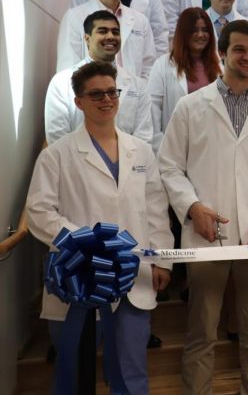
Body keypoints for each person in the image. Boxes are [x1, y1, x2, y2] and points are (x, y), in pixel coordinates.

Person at [158, 20, 248, 394]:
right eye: (240, 50)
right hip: (207, 234)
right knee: (202, 331)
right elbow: (169, 165)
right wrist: (192, 207)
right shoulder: (191, 107)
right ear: (222, 53)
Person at [27, 61, 173, 394]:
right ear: (79, 102)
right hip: (78, 277)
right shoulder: (57, 156)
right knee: (76, 373)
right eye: (96, 94)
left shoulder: (141, 151)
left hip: (133, 274)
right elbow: (38, 211)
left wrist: (163, 259)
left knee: (132, 373)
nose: (106, 100)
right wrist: (86, 244)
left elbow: (155, 209)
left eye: (112, 92)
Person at [46, 10, 152, 145]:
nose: (110, 36)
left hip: (127, 163)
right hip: (76, 163)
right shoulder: (62, 82)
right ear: (87, 39)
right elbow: (58, 139)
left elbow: (143, 137)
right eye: (102, 31)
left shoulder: (138, 86)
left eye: (115, 32)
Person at [57, 0, 156, 79]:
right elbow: (67, 69)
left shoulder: (140, 20)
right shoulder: (75, 17)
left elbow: (148, 67)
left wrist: (139, 95)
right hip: (91, 95)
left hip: (132, 96)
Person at [147, 8, 220, 153]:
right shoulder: (163, 65)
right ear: (184, 33)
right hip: (173, 147)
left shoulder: (219, 67)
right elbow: (153, 109)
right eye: (194, 30)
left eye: (205, 30)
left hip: (210, 147)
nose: (201, 35)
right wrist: (159, 145)